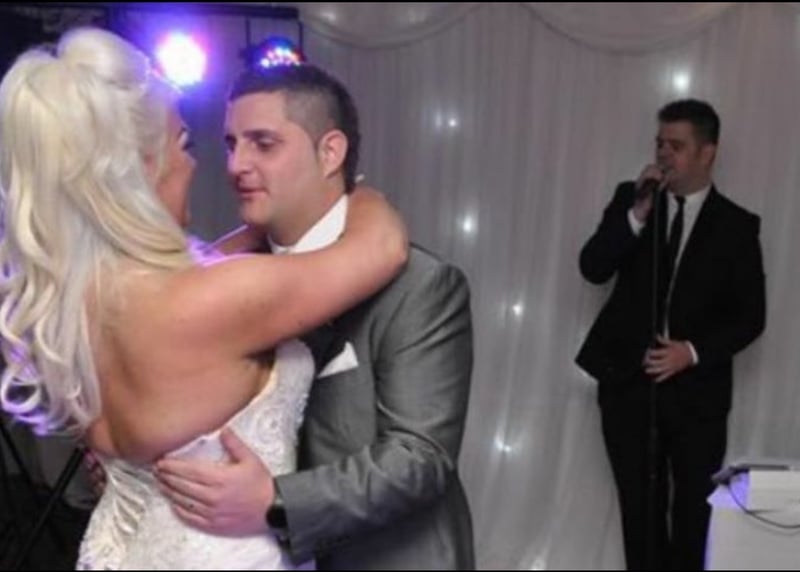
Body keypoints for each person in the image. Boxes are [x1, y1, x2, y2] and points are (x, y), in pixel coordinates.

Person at [0, 28, 408, 570]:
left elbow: (195, 268)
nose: (214, 165)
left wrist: (264, 225)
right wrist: (352, 187)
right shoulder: (212, 299)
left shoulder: (70, 304)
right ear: (140, 168)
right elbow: (381, 247)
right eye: (185, 142)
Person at [154, 63, 476, 569]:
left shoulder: (420, 284)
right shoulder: (228, 280)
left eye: (263, 144)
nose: (236, 165)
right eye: (232, 144)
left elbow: (419, 457)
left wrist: (276, 502)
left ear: (330, 153)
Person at [576, 99, 766, 570]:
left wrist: (692, 352)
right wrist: (637, 215)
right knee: (639, 508)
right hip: (628, 385)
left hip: (697, 394)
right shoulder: (633, 199)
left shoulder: (737, 226)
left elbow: (750, 317)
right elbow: (593, 267)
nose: (663, 154)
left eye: (676, 146)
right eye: (659, 143)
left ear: (707, 153)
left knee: (693, 512)